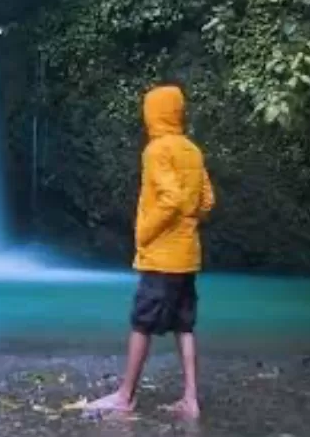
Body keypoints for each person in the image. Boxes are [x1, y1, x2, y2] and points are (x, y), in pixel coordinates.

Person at [85, 83, 215, 418]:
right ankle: (191, 399)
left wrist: (145, 231)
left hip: (161, 256)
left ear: (154, 114)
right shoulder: (192, 150)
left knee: (141, 322)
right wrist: (188, 223)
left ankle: (125, 396)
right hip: (187, 255)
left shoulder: (157, 150)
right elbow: (207, 201)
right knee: (184, 325)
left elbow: (171, 198)